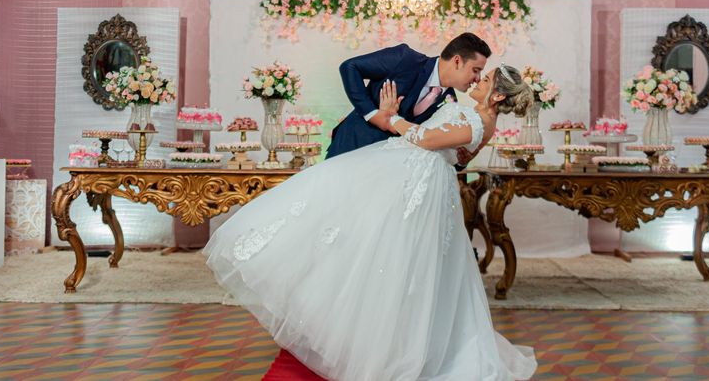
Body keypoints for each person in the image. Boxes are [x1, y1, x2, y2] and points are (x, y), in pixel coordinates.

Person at [205, 65, 538, 380]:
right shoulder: (479, 118)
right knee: (368, 241)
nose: (479, 79)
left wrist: (392, 117)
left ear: (496, 96)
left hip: (419, 183)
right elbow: (460, 154)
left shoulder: (478, 123)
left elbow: (424, 138)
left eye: (486, 78)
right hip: (414, 174)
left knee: (394, 256)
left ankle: (391, 344)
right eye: (480, 73)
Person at [326, 32, 491, 167]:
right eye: (475, 70)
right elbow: (350, 67)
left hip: (386, 170)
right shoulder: (405, 59)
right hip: (351, 147)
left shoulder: (450, 103)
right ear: (457, 61)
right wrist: (373, 114)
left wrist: (461, 162)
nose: (478, 78)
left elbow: (435, 148)